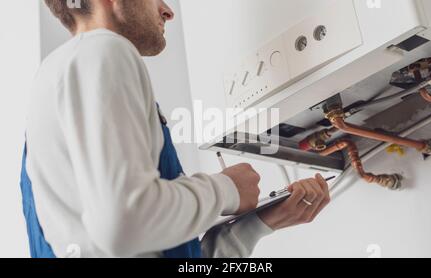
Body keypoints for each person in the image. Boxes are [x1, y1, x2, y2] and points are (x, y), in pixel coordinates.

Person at [20, 0, 331, 258]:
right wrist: (225, 190)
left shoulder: (54, 87)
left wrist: (259, 224)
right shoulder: (103, 51)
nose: (168, 11)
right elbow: (124, 224)